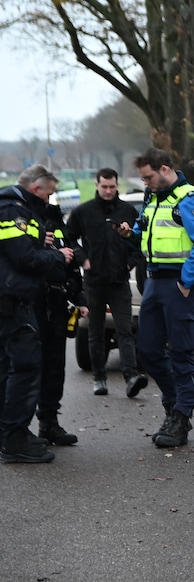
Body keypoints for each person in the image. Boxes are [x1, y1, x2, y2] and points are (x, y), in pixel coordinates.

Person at [117, 149, 194, 448]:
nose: (145, 183)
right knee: (147, 351)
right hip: (153, 283)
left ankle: (181, 417)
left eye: (148, 177)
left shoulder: (189, 198)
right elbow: (144, 232)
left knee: (181, 352)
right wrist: (129, 234)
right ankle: (176, 402)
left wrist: (186, 281)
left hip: (177, 285)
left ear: (164, 168)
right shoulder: (153, 198)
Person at [0, 165, 73, 463]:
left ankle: (11, 433)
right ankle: (14, 438)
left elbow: (19, 247)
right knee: (27, 366)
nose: (49, 201)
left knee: (8, 367)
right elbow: (23, 257)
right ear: (35, 189)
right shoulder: (12, 211)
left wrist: (39, 242)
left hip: (12, 296)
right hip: (12, 299)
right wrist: (57, 255)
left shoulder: (17, 209)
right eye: (48, 194)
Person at [66, 168, 145, 397]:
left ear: (117, 185)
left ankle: (131, 377)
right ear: (97, 185)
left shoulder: (128, 211)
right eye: (104, 187)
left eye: (112, 187)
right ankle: (99, 378)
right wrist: (82, 259)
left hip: (119, 280)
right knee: (96, 331)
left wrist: (131, 262)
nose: (108, 191)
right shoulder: (83, 212)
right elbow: (69, 236)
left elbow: (139, 241)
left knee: (124, 330)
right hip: (94, 281)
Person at [35, 203, 88, 446]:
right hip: (30, 306)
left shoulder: (57, 225)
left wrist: (80, 299)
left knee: (55, 368)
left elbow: (72, 267)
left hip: (56, 305)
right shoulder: (19, 218)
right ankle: (15, 430)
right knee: (25, 369)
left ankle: (49, 424)